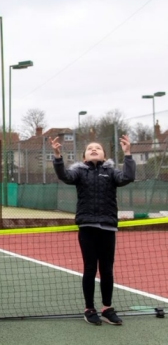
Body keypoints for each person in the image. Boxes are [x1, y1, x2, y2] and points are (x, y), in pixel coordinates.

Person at [51, 135, 135, 326]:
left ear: (105, 156)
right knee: (90, 268)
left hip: (108, 226)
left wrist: (128, 153)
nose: (94, 149)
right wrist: (57, 156)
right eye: (90, 148)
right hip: (87, 226)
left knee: (107, 269)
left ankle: (107, 308)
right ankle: (89, 309)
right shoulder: (79, 173)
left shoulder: (112, 173)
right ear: (84, 157)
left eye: (98, 148)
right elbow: (64, 176)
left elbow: (128, 177)